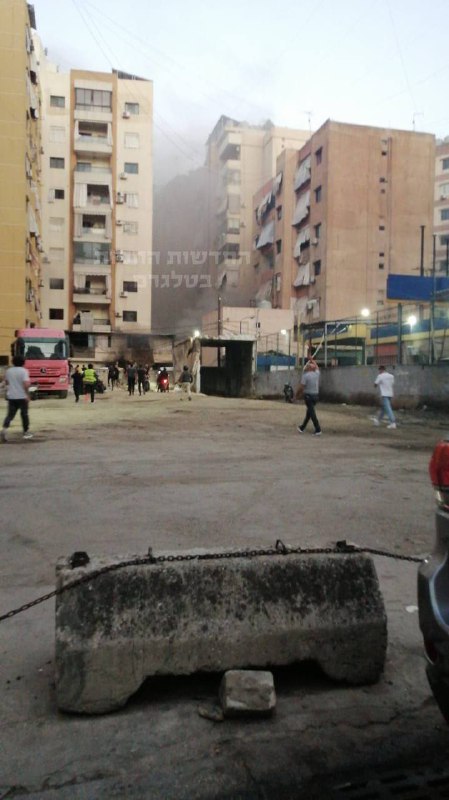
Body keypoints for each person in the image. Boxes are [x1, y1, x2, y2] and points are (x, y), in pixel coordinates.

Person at [1, 355, 33, 441]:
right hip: (22, 396)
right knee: (24, 414)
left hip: (11, 396)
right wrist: (27, 395)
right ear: (23, 362)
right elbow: (26, 384)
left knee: (10, 415)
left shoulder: (9, 371)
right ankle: (26, 432)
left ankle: (4, 429)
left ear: (13, 362)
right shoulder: (24, 371)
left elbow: (6, 382)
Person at [296, 359, 322, 436]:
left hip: (308, 396)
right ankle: (302, 427)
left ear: (309, 368)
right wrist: (312, 360)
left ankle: (318, 429)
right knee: (309, 412)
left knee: (311, 412)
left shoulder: (305, 376)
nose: (306, 366)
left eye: (308, 366)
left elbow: (301, 387)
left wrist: (296, 395)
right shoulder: (316, 374)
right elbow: (317, 367)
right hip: (315, 396)